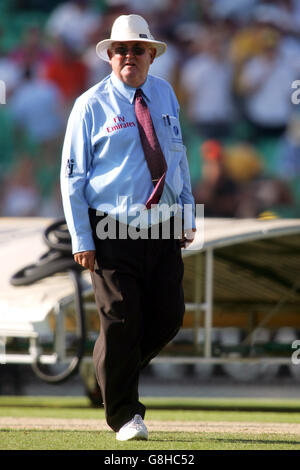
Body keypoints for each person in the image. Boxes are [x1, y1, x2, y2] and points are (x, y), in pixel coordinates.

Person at [60, 14, 196, 441]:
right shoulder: (89, 104)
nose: (129, 56)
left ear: (151, 54)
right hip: (111, 226)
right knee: (121, 320)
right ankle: (125, 415)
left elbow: (177, 156)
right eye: (121, 49)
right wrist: (82, 238)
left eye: (138, 49)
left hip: (161, 225)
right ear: (110, 56)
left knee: (169, 316)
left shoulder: (165, 93)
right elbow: (72, 178)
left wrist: (187, 213)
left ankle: (107, 367)